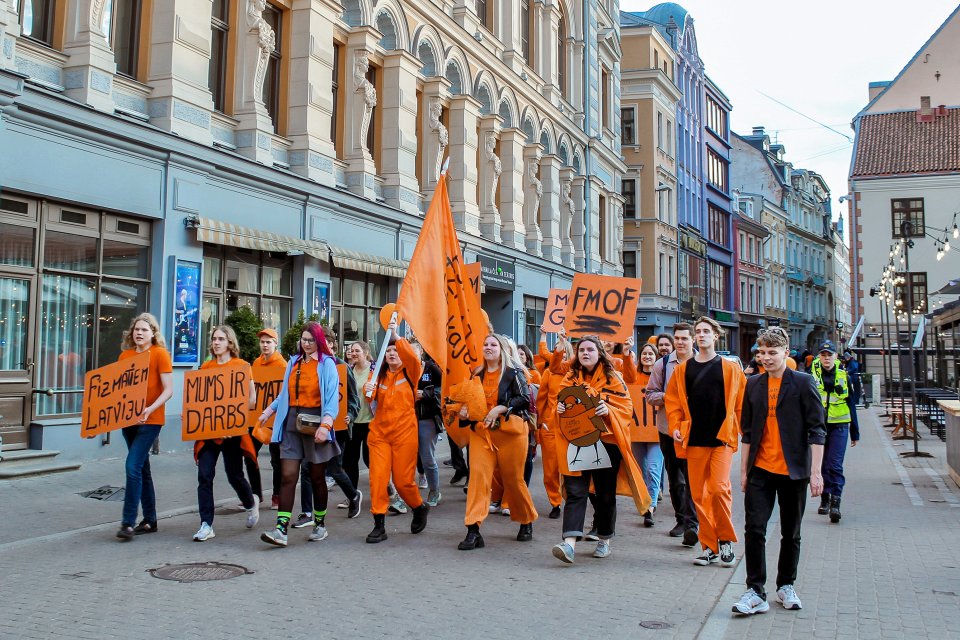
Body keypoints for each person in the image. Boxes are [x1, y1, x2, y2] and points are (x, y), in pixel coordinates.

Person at [733, 327, 825, 615]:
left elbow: (817, 430)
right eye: (763, 353)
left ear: (786, 352)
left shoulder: (803, 382)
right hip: (760, 469)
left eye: (773, 353)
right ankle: (755, 590)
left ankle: (786, 585)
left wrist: (817, 472)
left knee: (791, 532)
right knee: (754, 529)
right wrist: (744, 470)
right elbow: (746, 432)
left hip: (793, 471)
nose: (767, 358)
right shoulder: (754, 385)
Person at [551, 336, 650, 564]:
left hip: (607, 442)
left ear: (599, 353)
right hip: (577, 441)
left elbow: (626, 406)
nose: (585, 353)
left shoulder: (613, 377)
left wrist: (608, 409)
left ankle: (604, 538)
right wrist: (561, 407)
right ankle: (569, 544)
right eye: (581, 350)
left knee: (605, 494)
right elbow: (562, 404)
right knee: (576, 491)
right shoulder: (570, 377)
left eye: (590, 349)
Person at [665, 316, 746, 567]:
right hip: (694, 440)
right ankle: (709, 545)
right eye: (698, 331)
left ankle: (725, 541)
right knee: (699, 494)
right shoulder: (683, 370)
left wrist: (744, 432)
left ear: (715, 336)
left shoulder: (730, 368)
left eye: (705, 331)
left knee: (719, 489)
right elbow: (674, 403)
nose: (701, 335)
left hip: (721, 439)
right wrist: (676, 427)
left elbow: (742, 402)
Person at [257, 322, 340, 547]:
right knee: (288, 475)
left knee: (316, 477)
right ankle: (281, 529)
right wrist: (268, 411)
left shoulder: (327, 364)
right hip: (292, 423)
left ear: (319, 341)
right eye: (303, 340)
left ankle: (320, 524)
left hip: (316, 423)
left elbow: (332, 398)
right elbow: (284, 393)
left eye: (310, 340)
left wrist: (327, 424)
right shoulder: (293, 362)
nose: (306, 344)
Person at [454, 334, 538, 550]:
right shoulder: (477, 373)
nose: (488, 347)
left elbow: (524, 400)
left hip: (511, 435)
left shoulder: (513, 373)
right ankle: (473, 529)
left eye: (493, 344)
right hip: (481, 434)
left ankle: (526, 520)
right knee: (478, 480)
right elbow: (470, 401)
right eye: (485, 344)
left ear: (502, 350)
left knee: (513, 481)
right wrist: (464, 412)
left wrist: (501, 407)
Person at [362, 321, 430, 543]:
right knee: (378, 479)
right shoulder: (378, 376)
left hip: (405, 433)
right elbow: (369, 399)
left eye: (395, 350)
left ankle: (419, 507)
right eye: (388, 350)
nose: (392, 353)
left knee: (403, 482)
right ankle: (378, 525)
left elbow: (410, 356)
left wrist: (394, 334)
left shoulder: (411, 371)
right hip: (379, 434)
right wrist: (368, 390)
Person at [193, 325, 260, 542]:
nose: (216, 342)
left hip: (232, 432)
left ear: (230, 342)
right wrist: (192, 415)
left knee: (234, 475)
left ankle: (250, 502)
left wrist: (235, 419)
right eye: (214, 339)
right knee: (204, 475)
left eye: (221, 338)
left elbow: (252, 400)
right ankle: (206, 524)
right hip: (209, 432)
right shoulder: (206, 367)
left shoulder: (242, 366)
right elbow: (198, 399)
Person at [294, 329, 363, 525]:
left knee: (334, 468)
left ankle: (353, 495)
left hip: (337, 427)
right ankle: (307, 513)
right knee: (306, 468)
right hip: (311, 425)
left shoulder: (341, 367)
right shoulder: (307, 365)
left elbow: (353, 400)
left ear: (331, 345)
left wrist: (349, 415)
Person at [114, 313, 173, 540]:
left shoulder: (160, 354)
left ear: (153, 334)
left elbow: (168, 389)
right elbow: (118, 390)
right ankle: (150, 520)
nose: (139, 333)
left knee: (132, 466)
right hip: (128, 420)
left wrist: (149, 409)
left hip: (151, 420)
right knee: (142, 469)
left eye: (144, 330)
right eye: (136, 329)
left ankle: (128, 523)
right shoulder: (125, 355)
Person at [646, 322, 699, 545]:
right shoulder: (663, 364)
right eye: (677, 338)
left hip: (696, 431)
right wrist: (670, 397)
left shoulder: (702, 362)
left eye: (684, 338)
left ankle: (692, 524)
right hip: (669, 429)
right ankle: (681, 519)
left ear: (692, 340)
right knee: (676, 479)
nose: (680, 342)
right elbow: (650, 395)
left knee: (693, 478)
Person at [810, 341, 857, 523]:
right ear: (819, 357)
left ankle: (836, 503)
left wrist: (855, 432)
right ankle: (825, 498)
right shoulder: (811, 377)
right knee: (821, 465)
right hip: (818, 426)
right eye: (823, 355)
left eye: (830, 355)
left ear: (836, 357)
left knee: (834, 465)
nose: (826, 358)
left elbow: (851, 404)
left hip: (840, 425)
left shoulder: (844, 376)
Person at [536, 330, 575, 519]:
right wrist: (540, 423)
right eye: (561, 355)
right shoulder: (549, 374)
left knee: (570, 467)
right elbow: (541, 400)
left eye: (567, 355)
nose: (563, 359)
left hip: (573, 427)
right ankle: (555, 502)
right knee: (550, 469)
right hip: (550, 427)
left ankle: (571, 499)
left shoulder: (577, 374)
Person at [251, 328, 286, 510]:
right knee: (250, 454)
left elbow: (284, 394)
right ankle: (255, 494)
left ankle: (277, 495)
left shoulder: (282, 365)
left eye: (268, 342)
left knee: (276, 459)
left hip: (275, 420)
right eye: (262, 342)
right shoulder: (256, 363)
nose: (264, 345)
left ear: (275, 344)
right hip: (257, 418)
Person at [631, 343, 663, 528]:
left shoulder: (661, 378)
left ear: (656, 357)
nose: (648, 356)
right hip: (636, 433)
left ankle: (650, 507)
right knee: (642, 472)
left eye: (651, 353)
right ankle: (646, 499)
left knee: (653, 469)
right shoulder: (632, 376)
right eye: (644, 353)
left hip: (657, 433)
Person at [415, 343, 444, 507]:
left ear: (420, 352)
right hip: (407, 417)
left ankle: (434, 491)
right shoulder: (403, 368)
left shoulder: (432, 369)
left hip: (428, 417)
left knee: (427, 456)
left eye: (414, 350)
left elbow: (444, 388)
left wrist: (425, 394)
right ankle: (401, 494)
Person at [343, 340, 374, 490]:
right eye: (351, 351)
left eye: (357, 351)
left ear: (366, 353)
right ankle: (352, 495)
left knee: (370, 460)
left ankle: (385, 488)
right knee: (350, 460)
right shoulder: (348, 370)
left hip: (371, 422)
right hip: (353, 422)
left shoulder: (375, 370)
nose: (353, 353)